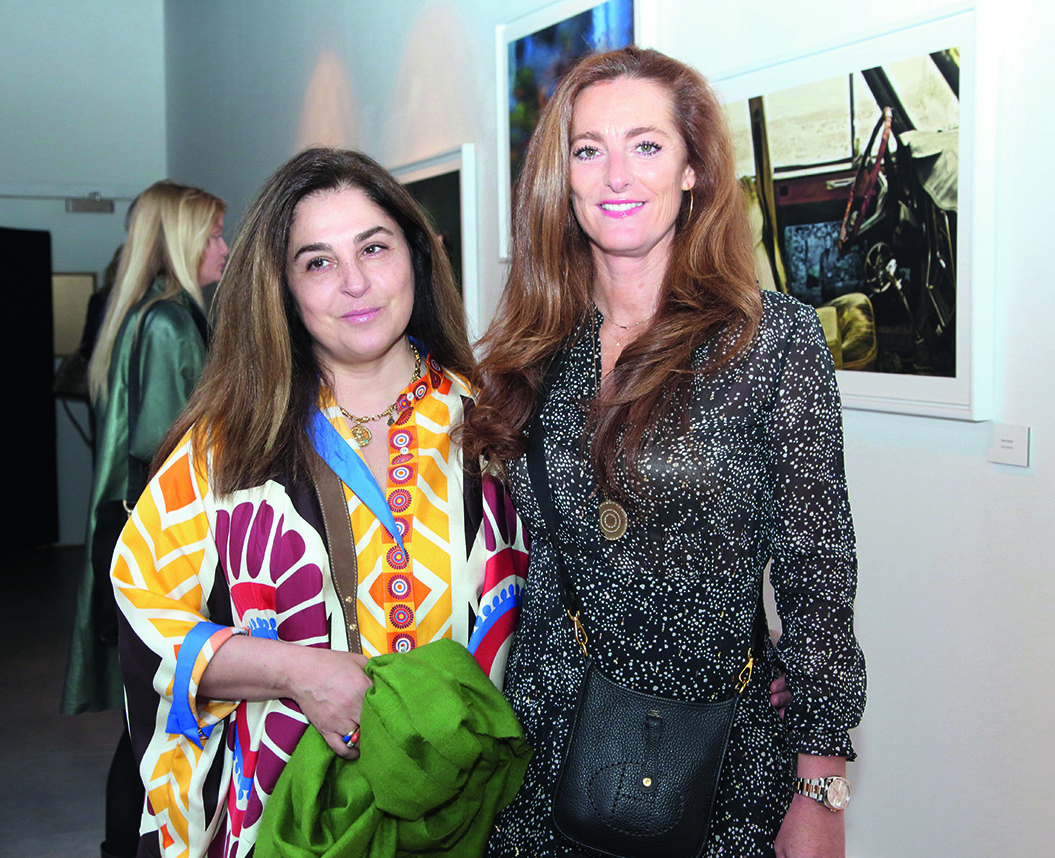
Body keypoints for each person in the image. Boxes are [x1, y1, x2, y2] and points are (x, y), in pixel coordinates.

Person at [461, 47, 866, 857]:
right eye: (588, 150)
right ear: (562, 178)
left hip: (714, 760)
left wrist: (820, 786)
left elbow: (818, 577)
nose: (616, 174)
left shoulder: (768, 340)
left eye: (646, 145)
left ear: (692, 171)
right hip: (546, 754)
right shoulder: (530, 353)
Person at [111, 148, 528, 858]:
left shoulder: (495, 428)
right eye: (317, 262)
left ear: (417, 259)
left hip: (470, 813)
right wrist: (299, 672)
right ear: (282, 289)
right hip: (283, 815)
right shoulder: (226, 446)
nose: (356, 284)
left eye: (374, 247)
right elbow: (145, 619)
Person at [61, 180, 227, 858]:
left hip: (143, 532)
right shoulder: (168, 320)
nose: (224, 247)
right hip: (162, 543)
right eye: (214, 234)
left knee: (147, 721)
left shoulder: (164, 312)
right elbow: (168, 452)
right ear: (185, 239)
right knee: (149, 727)